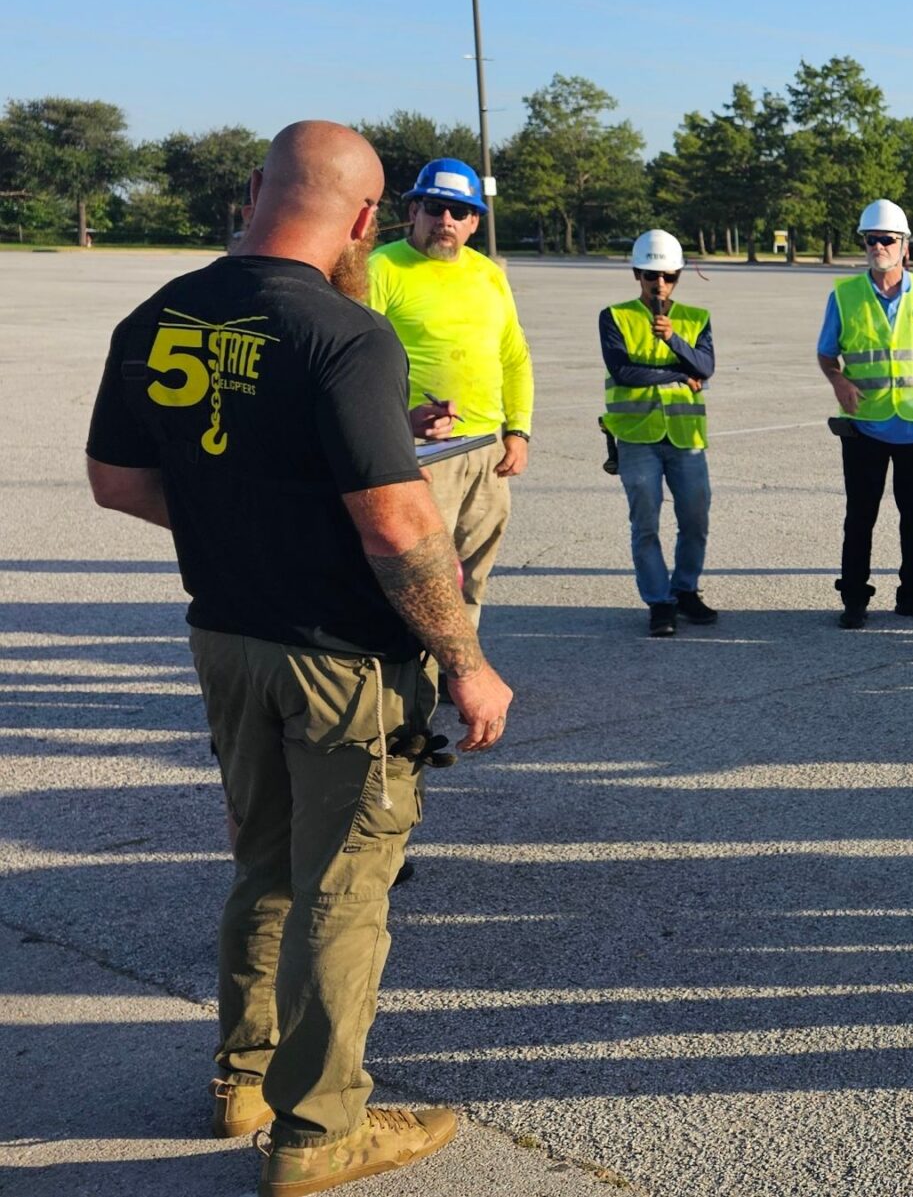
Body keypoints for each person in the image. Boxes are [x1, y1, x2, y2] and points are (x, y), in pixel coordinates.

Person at [85, 121, 513, 1194]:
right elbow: (396, 523)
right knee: (346, 886)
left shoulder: (161, 311)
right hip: (342, 661)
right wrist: (464, 658)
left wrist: (249, 520)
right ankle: (320, 1130)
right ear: (369, 218)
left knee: (264, 861)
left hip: (226, 636)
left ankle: (242, 1076)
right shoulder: (345, 330)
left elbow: (119, 480)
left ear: (251, 190)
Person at [366, 157, 533, 632]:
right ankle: (410, 673)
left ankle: (455, 671)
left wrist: (518, 432)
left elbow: (515, 358)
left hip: (487, 450)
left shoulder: (488, 275)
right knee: (416, 574)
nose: (446, 221)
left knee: (471, 574)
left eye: (459, 212)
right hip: (418, 451)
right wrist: (399, 419)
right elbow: (352, 368)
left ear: (474, 222)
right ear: (414, 209)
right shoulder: (382, 269)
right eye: (435, 208)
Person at [818, 198, 913, 627]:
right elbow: (827, 354)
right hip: (865, 424)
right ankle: (854, 598)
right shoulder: (845, 295)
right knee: (860, 516)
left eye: (886, 239)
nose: (877, 246)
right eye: (870, 239)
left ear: (905, 245)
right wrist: (838, 381)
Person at [601, 230, 715, 638]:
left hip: (686, 439)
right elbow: (623, 371)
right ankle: (659, 601)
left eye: (668, 276)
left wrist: (674, 340)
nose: (660, 284)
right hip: (637, 437)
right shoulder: (614, 316)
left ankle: (685, 589)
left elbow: (706, 366)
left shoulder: (695, 318)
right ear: (637, 274)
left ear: (679, 275)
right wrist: (679, 374)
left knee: (695, 518)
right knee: (645, 521)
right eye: (651, 275)